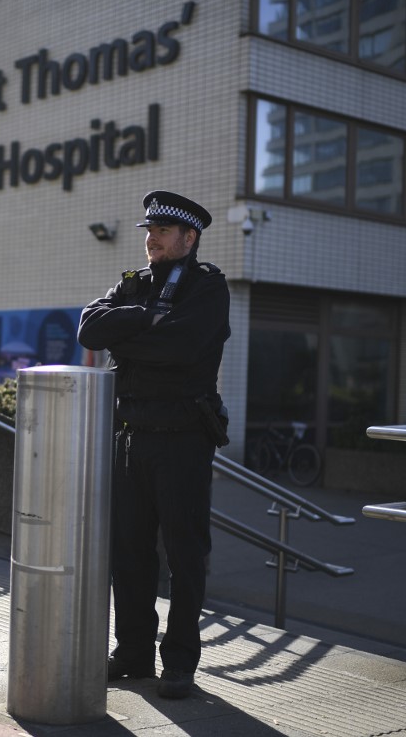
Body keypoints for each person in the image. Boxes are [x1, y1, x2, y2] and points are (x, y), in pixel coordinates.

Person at [77, 190, 230, 699]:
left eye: (162, 232)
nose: (151, 240)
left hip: (183, 442)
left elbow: (180, 348)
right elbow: (90, 329)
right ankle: (134, 652)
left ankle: (180, 662)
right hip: (131, 438)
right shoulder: (134, 284)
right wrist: (148, 318)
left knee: (185, 557)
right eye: (149, 231)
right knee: (129, 553)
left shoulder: (208, 287)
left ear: (189, 237)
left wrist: (128, 335)